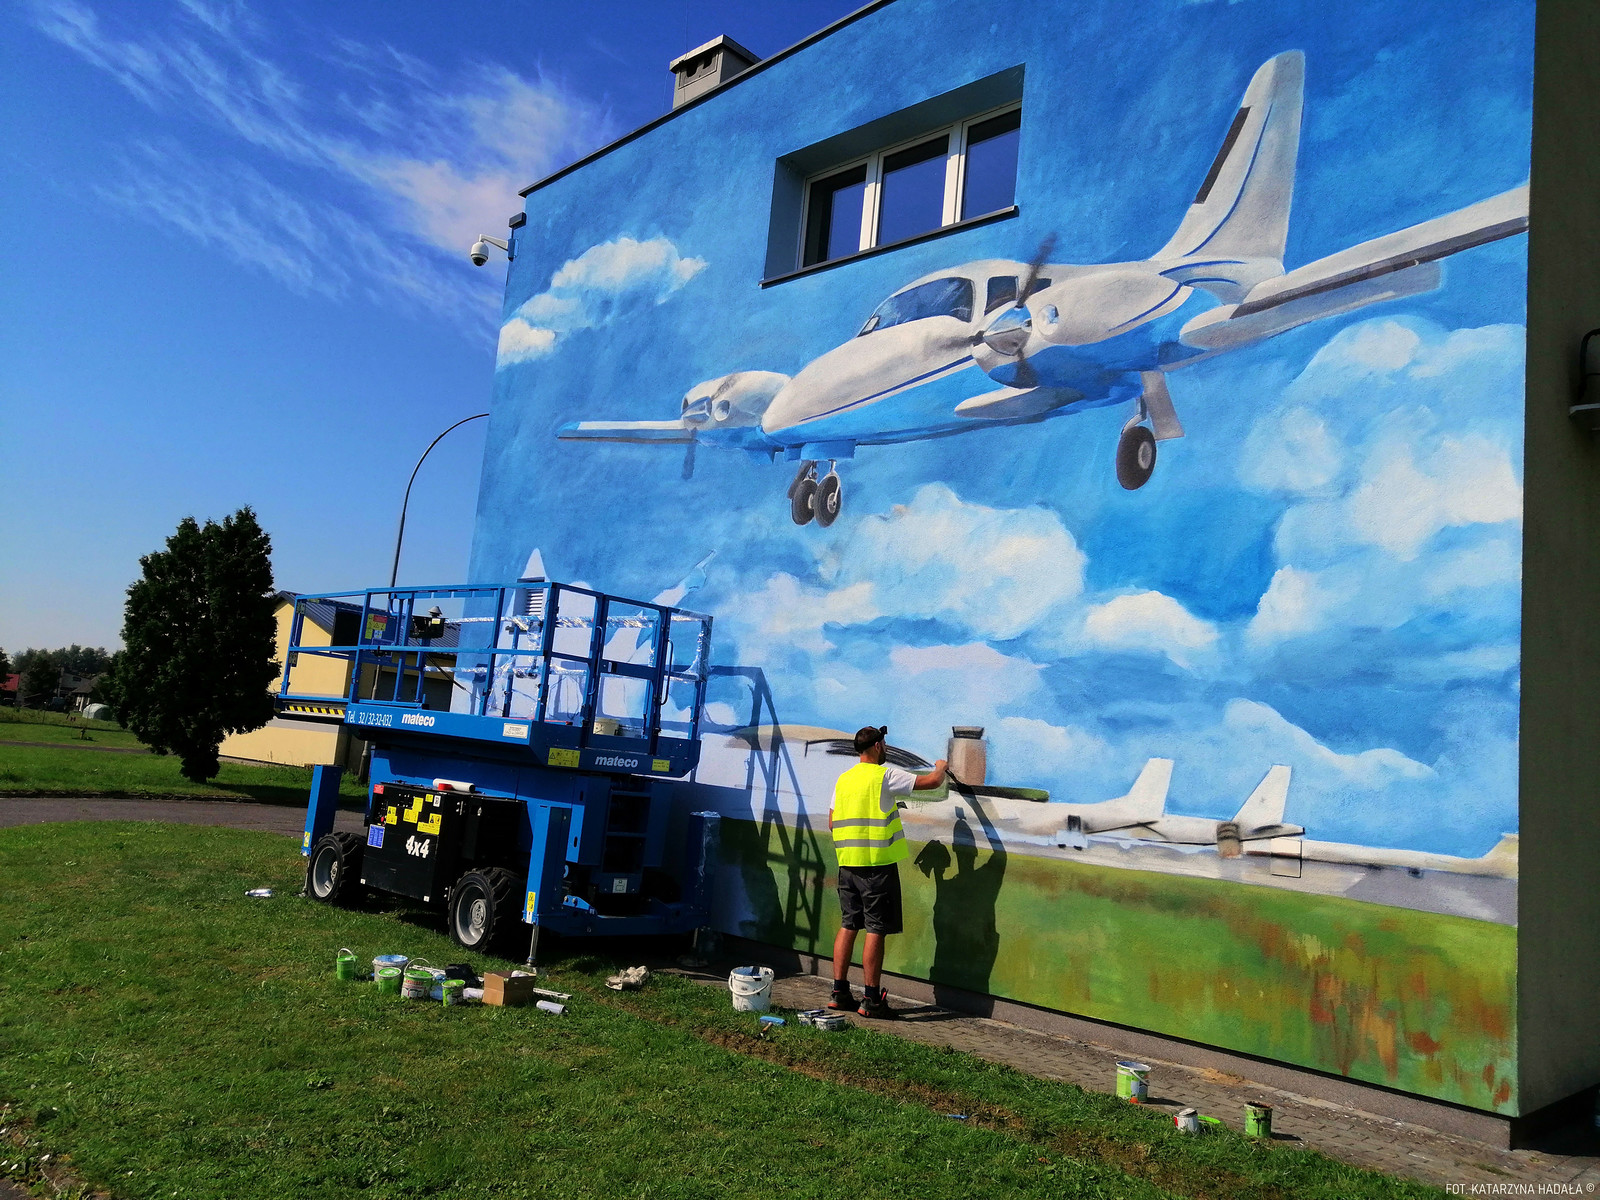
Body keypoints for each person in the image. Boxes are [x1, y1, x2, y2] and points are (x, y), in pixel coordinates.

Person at [828, 725, 947, 1019]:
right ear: (878, 746)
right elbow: (932, 782)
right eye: (884, 744)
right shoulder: (885, 776)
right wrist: (941, 767)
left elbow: (832, 822)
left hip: (847, 864)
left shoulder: (844, 780)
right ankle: (871, 998)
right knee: (875, 928)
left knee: (848, 925)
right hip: (876, 867)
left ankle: (839, 992)